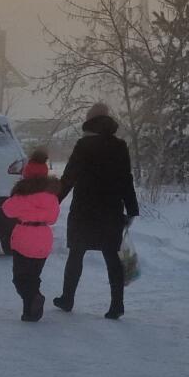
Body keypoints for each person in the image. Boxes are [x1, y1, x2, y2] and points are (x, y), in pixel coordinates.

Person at [54, 102, 139, 320]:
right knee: (111, 255)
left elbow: (69, 177)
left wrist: (53, 200)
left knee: (76, 254)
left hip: (85, 209)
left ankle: (67, 299)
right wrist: (131, 208)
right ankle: (117, 305)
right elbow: (126, 179)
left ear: (90, 122)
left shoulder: (84, 145)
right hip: (111, 209)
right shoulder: (120, 146)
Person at [0, 148, 61, 322]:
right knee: (34, 276)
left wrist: (24, 206)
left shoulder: (22, 195)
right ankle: (30, 312)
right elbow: (53, 217)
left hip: (24, 237)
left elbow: (7, 209)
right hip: (43, 238)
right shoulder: (51, 196)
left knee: (19, 278)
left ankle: (34, 299)